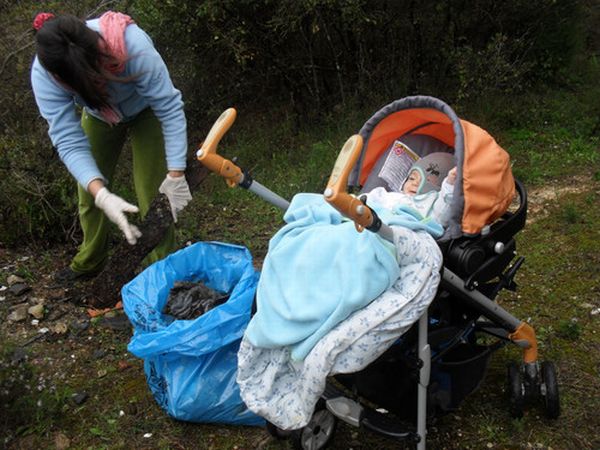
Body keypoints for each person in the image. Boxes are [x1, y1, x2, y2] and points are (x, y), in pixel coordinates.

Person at [30, 11, 192, 283]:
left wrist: (176, 173)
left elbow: (169, 108)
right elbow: (68, 139)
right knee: (89, 192)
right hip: (98, 115)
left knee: (154, 192)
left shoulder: (133, 46)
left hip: (146, 109)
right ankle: (90, 261)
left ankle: (163, 269)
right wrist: (101, 192)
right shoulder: (44, 73)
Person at [365, 152, 457, 229]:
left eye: (427, 181)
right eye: (412, 178)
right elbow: (373, 197)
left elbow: (442, 216)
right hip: (377, 222)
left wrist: (449, 185)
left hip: (405, 232)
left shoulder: (432, 204)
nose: (415, 183)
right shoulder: (393, 196)